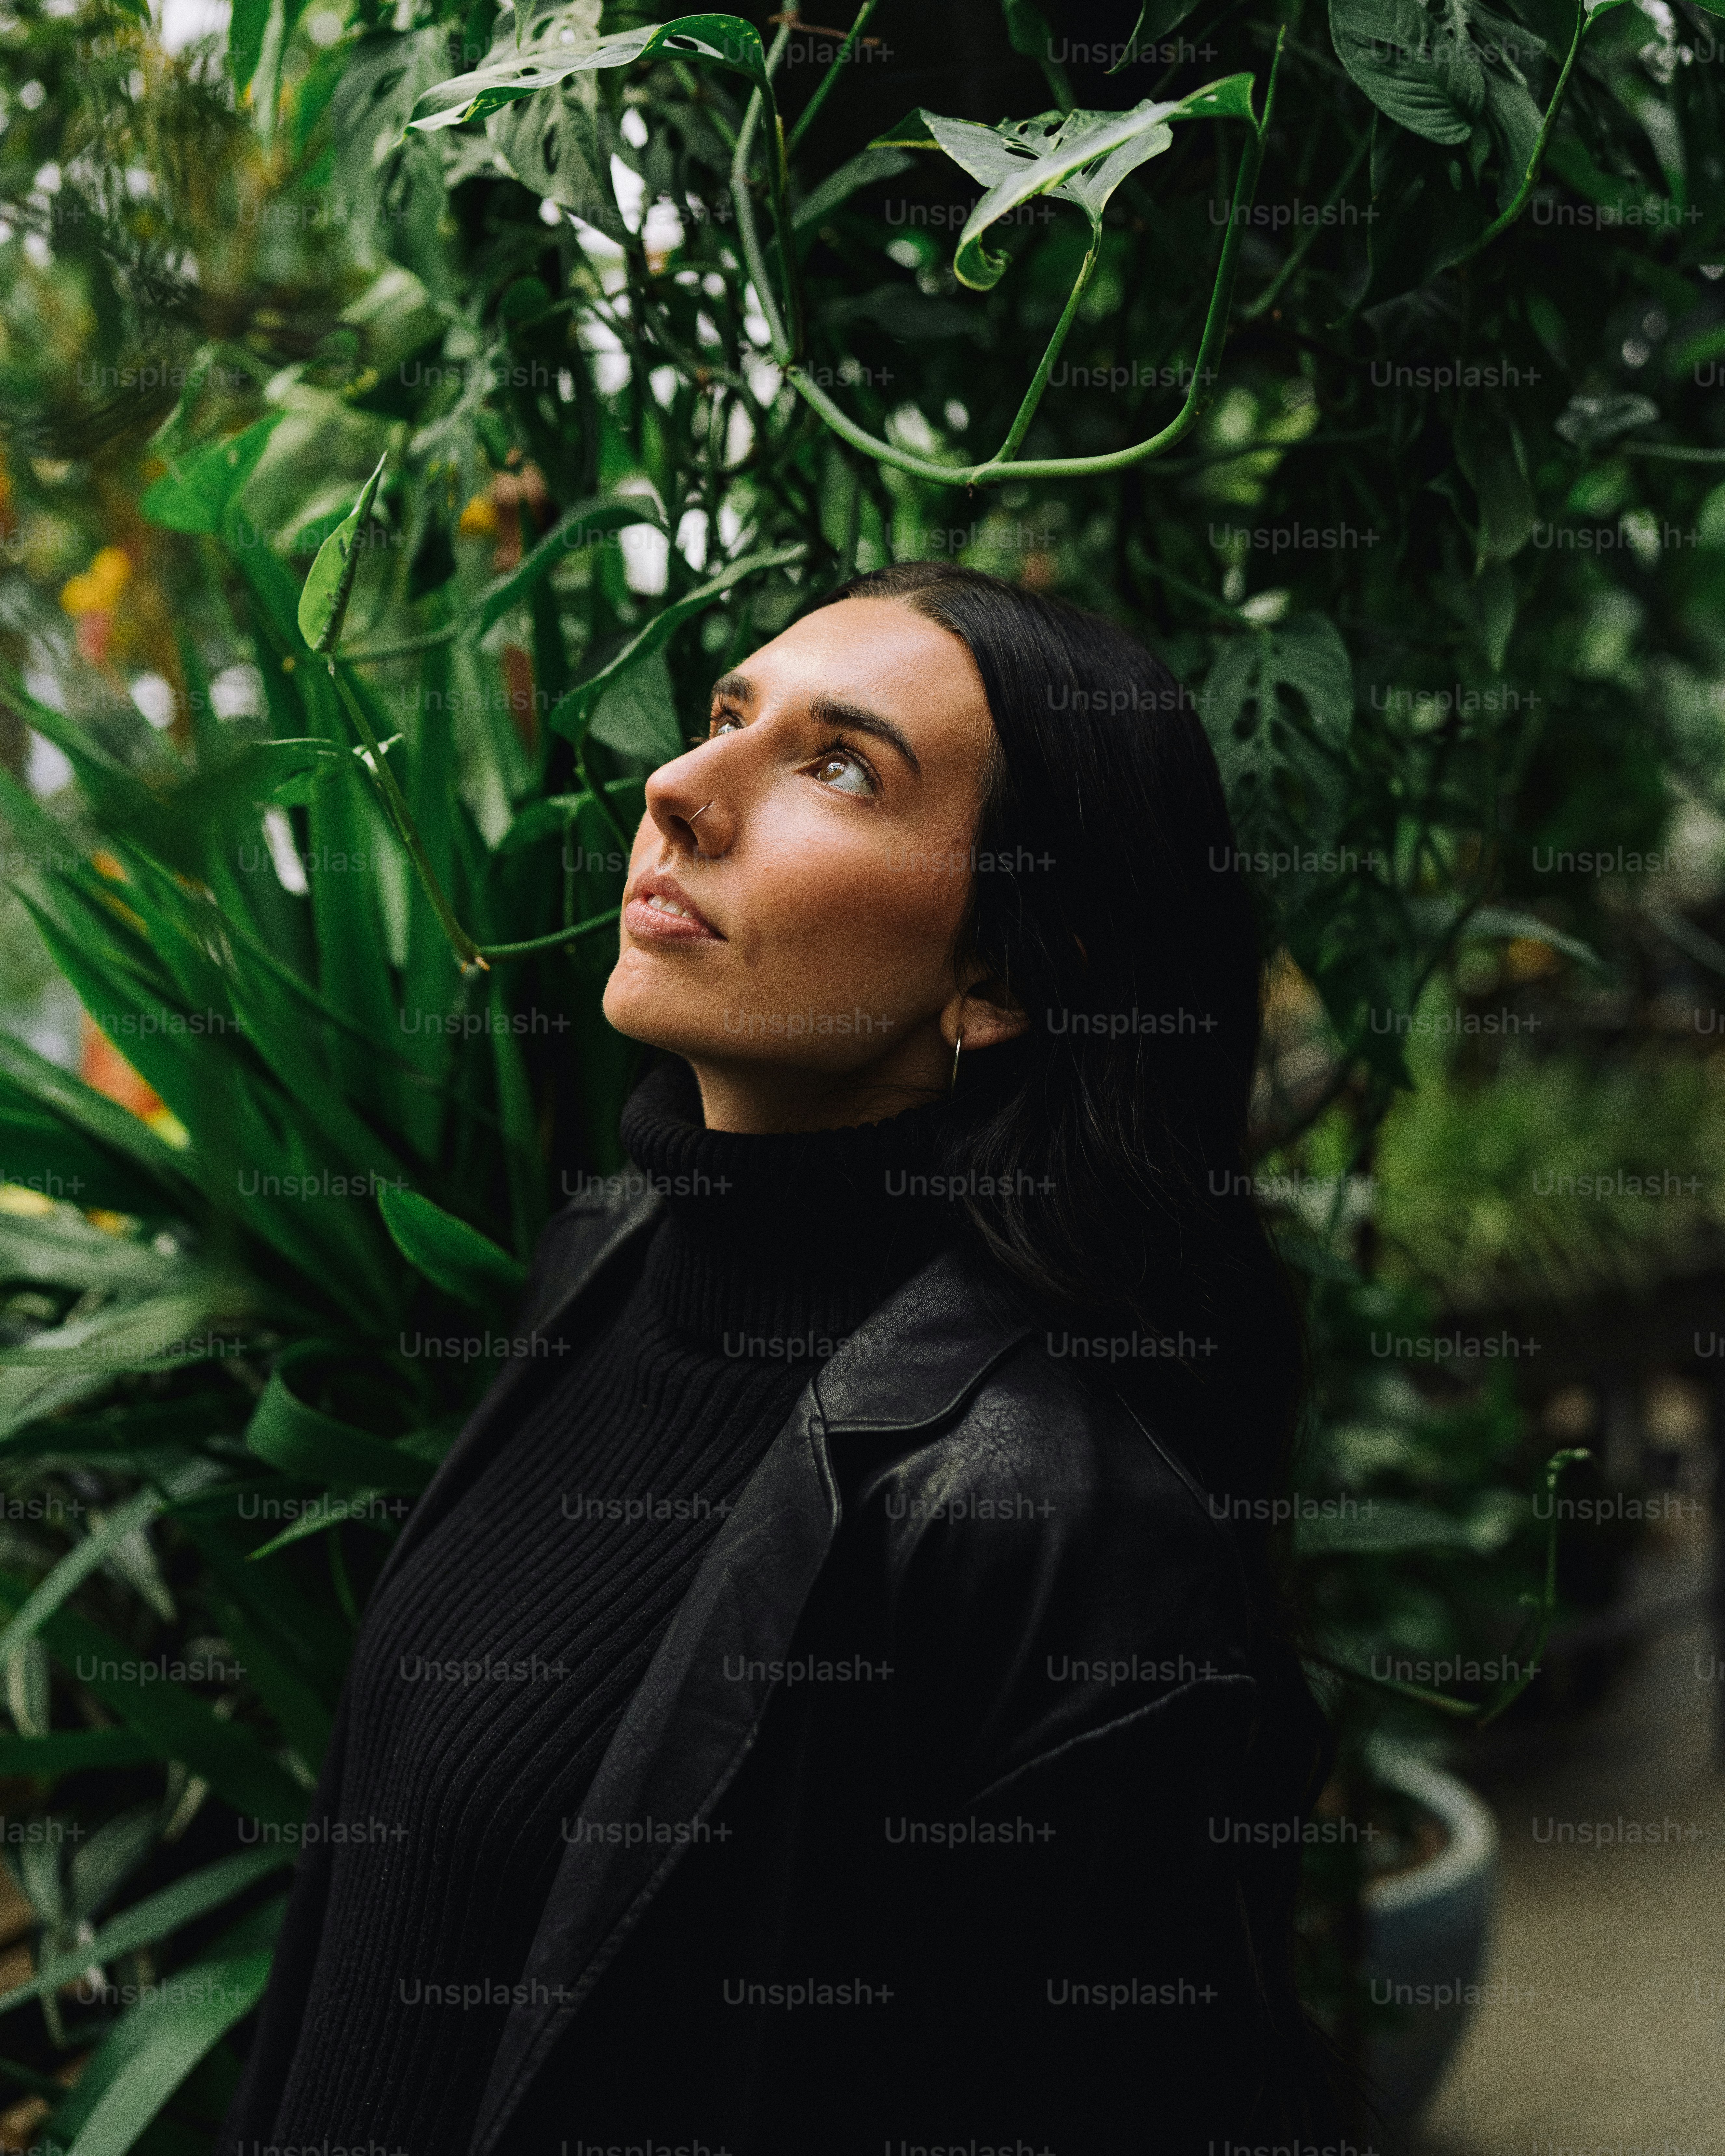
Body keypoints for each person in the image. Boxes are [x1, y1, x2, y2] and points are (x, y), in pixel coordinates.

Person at [221, 562, 1344, 2156]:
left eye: (838, 765)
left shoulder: (1054, 1529)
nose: (678, 788)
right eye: (724, 719)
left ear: (1006, 974)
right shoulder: (607, 1259)